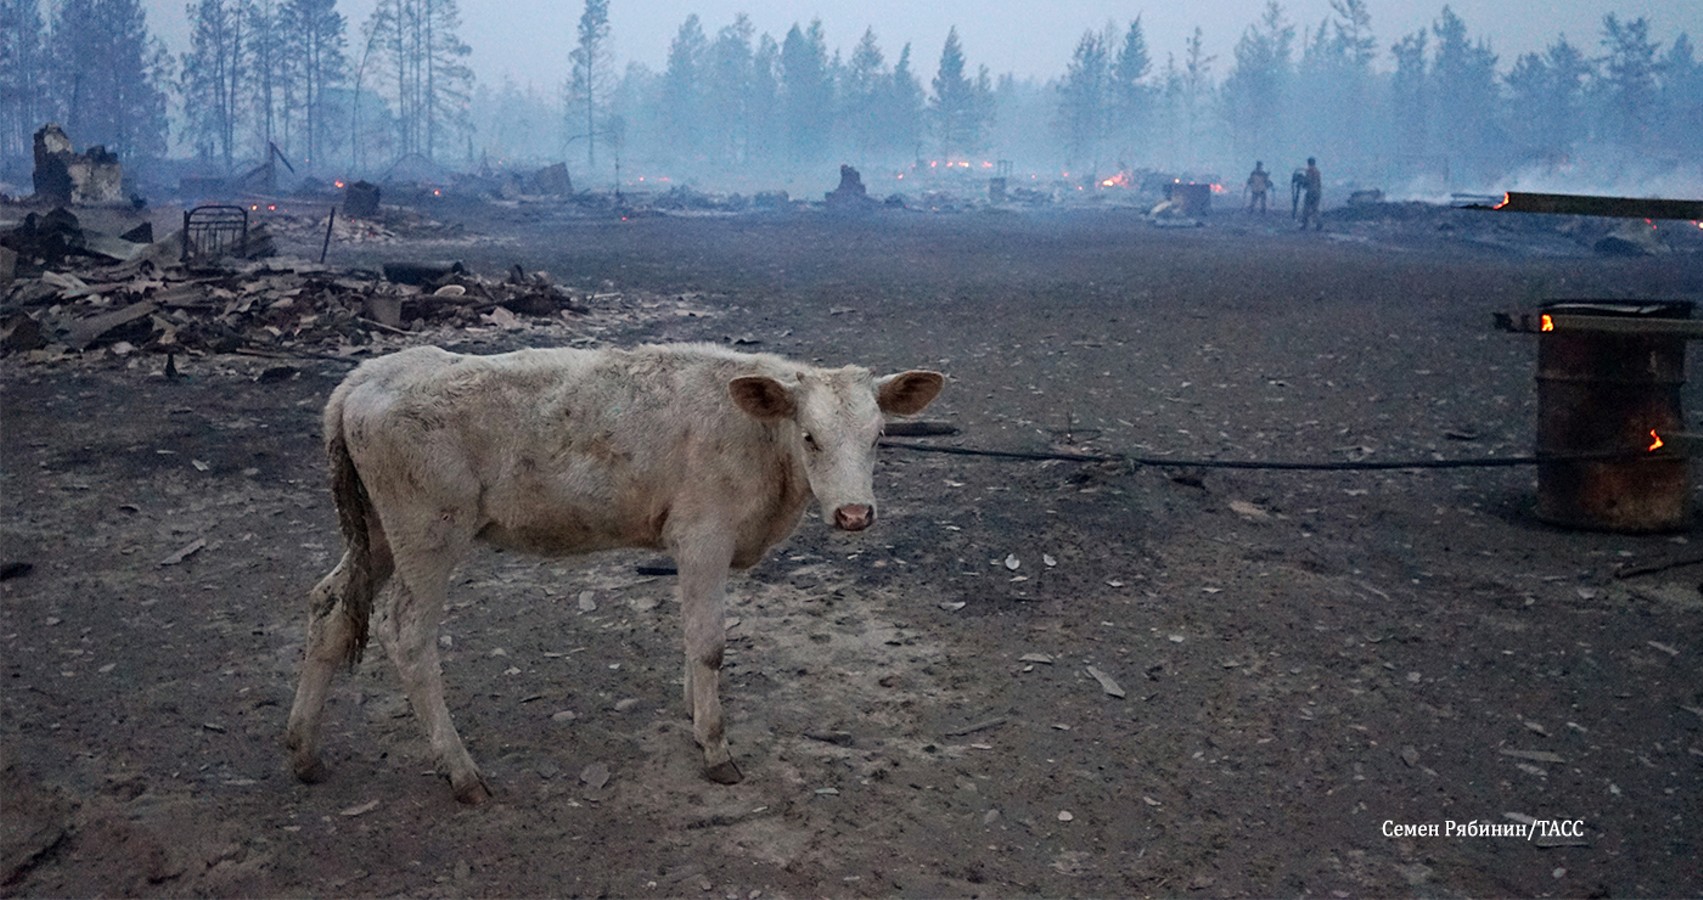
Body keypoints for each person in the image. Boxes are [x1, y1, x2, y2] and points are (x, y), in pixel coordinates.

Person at [1299, 157, 1323, 231]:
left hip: (1311, 192)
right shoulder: (1317, 171)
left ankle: (1305, 224)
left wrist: (1302, 181)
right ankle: (1319, 223)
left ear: (1308, 163)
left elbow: (1307, 181)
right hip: (1317, 192)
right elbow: (1319, 183)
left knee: (1306, 209)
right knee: (1315, 209)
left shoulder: (1309, 171)